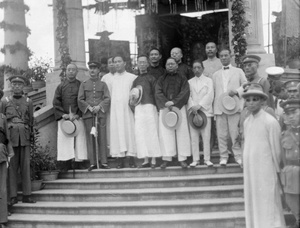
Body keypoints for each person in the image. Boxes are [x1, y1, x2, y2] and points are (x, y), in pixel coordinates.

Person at [242, 83, 286, 228]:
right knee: (254, 201)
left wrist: (278, 174)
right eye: (248, 100)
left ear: (262, 101)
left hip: (266, 171)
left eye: (255, 99)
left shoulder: (270, 122)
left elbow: (276, 150)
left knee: (268, 203)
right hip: (251, 172)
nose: (251, 103)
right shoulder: (247, 121)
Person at [0, 75, 36, 204]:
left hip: (24, 136)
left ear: (23, 86)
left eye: (19, 84)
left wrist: (31, 135)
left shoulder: (28, 101)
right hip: (11, 137)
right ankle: (13, 196)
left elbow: (31, 120)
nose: (16, 86)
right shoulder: (5, 101)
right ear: (11, 86)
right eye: (14, 84)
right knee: (12, 167)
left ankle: (27, 195)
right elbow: (1, 120)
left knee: (25, 166)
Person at [212, 48, 247, 166]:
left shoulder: (238, 71)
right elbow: (213, 92)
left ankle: (238, 155)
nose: (223, 58)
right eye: (221, 56)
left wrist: (237, 91)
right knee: (221, 134)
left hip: (234, 106)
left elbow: (246, 85)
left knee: (234, 132)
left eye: (226, 55)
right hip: (220, 108)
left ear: (230, 56)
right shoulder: (216, 74)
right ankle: (223, 156)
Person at [155, 57, 191, 169]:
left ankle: (182, 159)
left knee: (182, 133)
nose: (170, 66)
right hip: (165, 108)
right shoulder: (161, 79)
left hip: (179, 107)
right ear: (165, 66)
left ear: (176, 65)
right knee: (165, 133)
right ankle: (166, 158)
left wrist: (174, 102)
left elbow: (185, 91)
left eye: (172, 64)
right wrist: (166, 103)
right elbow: (158, 92)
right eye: (168, 64)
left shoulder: (182, 78)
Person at [53, 63, 88, 171]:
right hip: (65, 117)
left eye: (73, 69)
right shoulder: (61, 86)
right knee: (64, 138)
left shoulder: (81, 85)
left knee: (80, 138)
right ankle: (65, 162)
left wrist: (78, 114)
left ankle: (80, 161)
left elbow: (84, 100)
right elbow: (56, 102)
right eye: (69, 69)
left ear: (76, 72)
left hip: (77, 116)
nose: (71, 71)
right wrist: (63, 115)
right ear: (66, 72)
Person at [78, 61, 111, 171]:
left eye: (94, 68)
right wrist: (89, 107)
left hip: (100, 114)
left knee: (102, 137)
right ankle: (92, 162)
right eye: (90, 68)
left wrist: (99, 106)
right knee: (90, 138)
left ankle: (104, 162)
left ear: (98, 71)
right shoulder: (84, 84)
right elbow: (80, 99)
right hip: (88, 115)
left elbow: (107, 98)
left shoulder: (103, 84)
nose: (92, 70)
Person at [130, 55, 161, 168]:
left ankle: (153, 159)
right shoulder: (135, 80)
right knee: (141, 133)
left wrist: (157, 108)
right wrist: (134, 107)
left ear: (147, 64)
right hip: (139, 109)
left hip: (150, 107)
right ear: (137, 64)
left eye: (144, 62)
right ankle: (145, 159)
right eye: (140, 62)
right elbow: (132, 97)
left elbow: (156, 94)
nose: (142, 64)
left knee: (151, 132)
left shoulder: (152, 78)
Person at [110, 55, 137, 168]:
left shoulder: (132, 77)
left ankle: (131, 157)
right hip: (115, 110)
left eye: (119, 61)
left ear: (124, 63)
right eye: (115, 62)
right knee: (117, 132)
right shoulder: (109, 78)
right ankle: (119, 158)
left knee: (129, 130)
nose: (117, 64)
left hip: (128, 109)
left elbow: (136, 93)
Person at [187, 60, 214, 167]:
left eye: (199, 67)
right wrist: (193, 106)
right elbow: (188, 95)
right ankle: (196, 159)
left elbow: (210, 94)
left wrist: (200, 105)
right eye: (195, 68)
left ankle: (207, 159)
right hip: (193, 112)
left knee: (206, 136)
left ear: (203, 68)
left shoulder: (209, 81)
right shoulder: (189, 82)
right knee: (194, 137)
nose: (197, 70)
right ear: (192, 69)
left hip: (205, 111)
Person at [280, 99, 300, 228]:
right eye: (288, 114)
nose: (291, 116)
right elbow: (282, 159)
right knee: (294, 204)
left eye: (294, 112)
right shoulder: (283, 135)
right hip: (291, 176)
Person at [202, 42, 222, 152]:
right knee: (208, 119)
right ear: (205, 50)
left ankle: (220, 144)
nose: (210, 49)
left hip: (218, 95)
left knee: (218, 121)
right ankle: (209, 143)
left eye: (212, 47)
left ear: (216, 49)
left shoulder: (221, 62)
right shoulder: (202, 64)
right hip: (207, 96)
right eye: (208, 47)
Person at [0, 89, 14, 228]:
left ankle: (2, 219)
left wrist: (10, 152)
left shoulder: (2, 117)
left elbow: (7, 138)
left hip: (1, 153)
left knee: (2, 188)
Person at [101, 56, 116, 152]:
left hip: (118, 106)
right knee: (110, 128)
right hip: (109, 107)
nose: (111, 64)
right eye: (109, 62)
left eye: (113, 62)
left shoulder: (120, 76)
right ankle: (111, 149)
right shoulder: (105, 78)